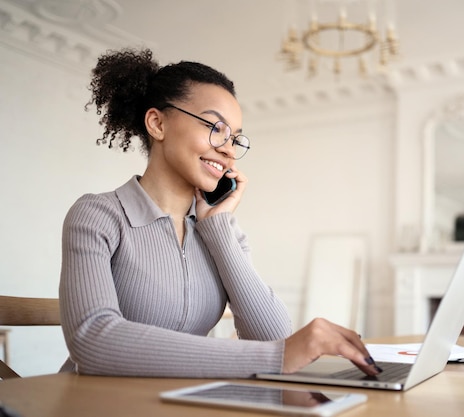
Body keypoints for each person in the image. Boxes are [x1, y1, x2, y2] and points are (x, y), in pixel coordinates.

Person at [58, 48, 382, 378]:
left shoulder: (222, 232)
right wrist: (270, 358)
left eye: (235, 138)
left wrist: (217, 229)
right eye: (216, 128)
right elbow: (93, 340)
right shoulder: (98, 215)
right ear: (157, 123)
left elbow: (274, 338)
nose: (228, 149)